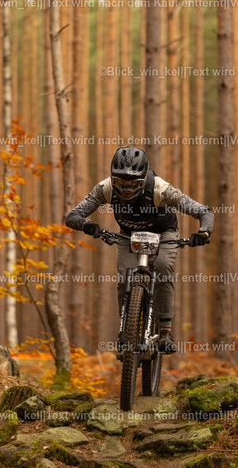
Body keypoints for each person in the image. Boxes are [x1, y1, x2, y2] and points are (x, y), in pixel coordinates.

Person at [66, 145, 214, 354]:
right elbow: (73, 216)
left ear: (143, 179)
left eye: (133, 184)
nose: (126, 189)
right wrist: (88, 225)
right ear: (113, 179)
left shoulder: (161, 189)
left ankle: (165, 331)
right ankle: (126, 331)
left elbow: (203, 211)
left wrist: (203, 232)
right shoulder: (105, 188)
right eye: (120, 183)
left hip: (164, 233)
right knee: (125, 278)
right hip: (129, 234)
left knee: (162, 267)